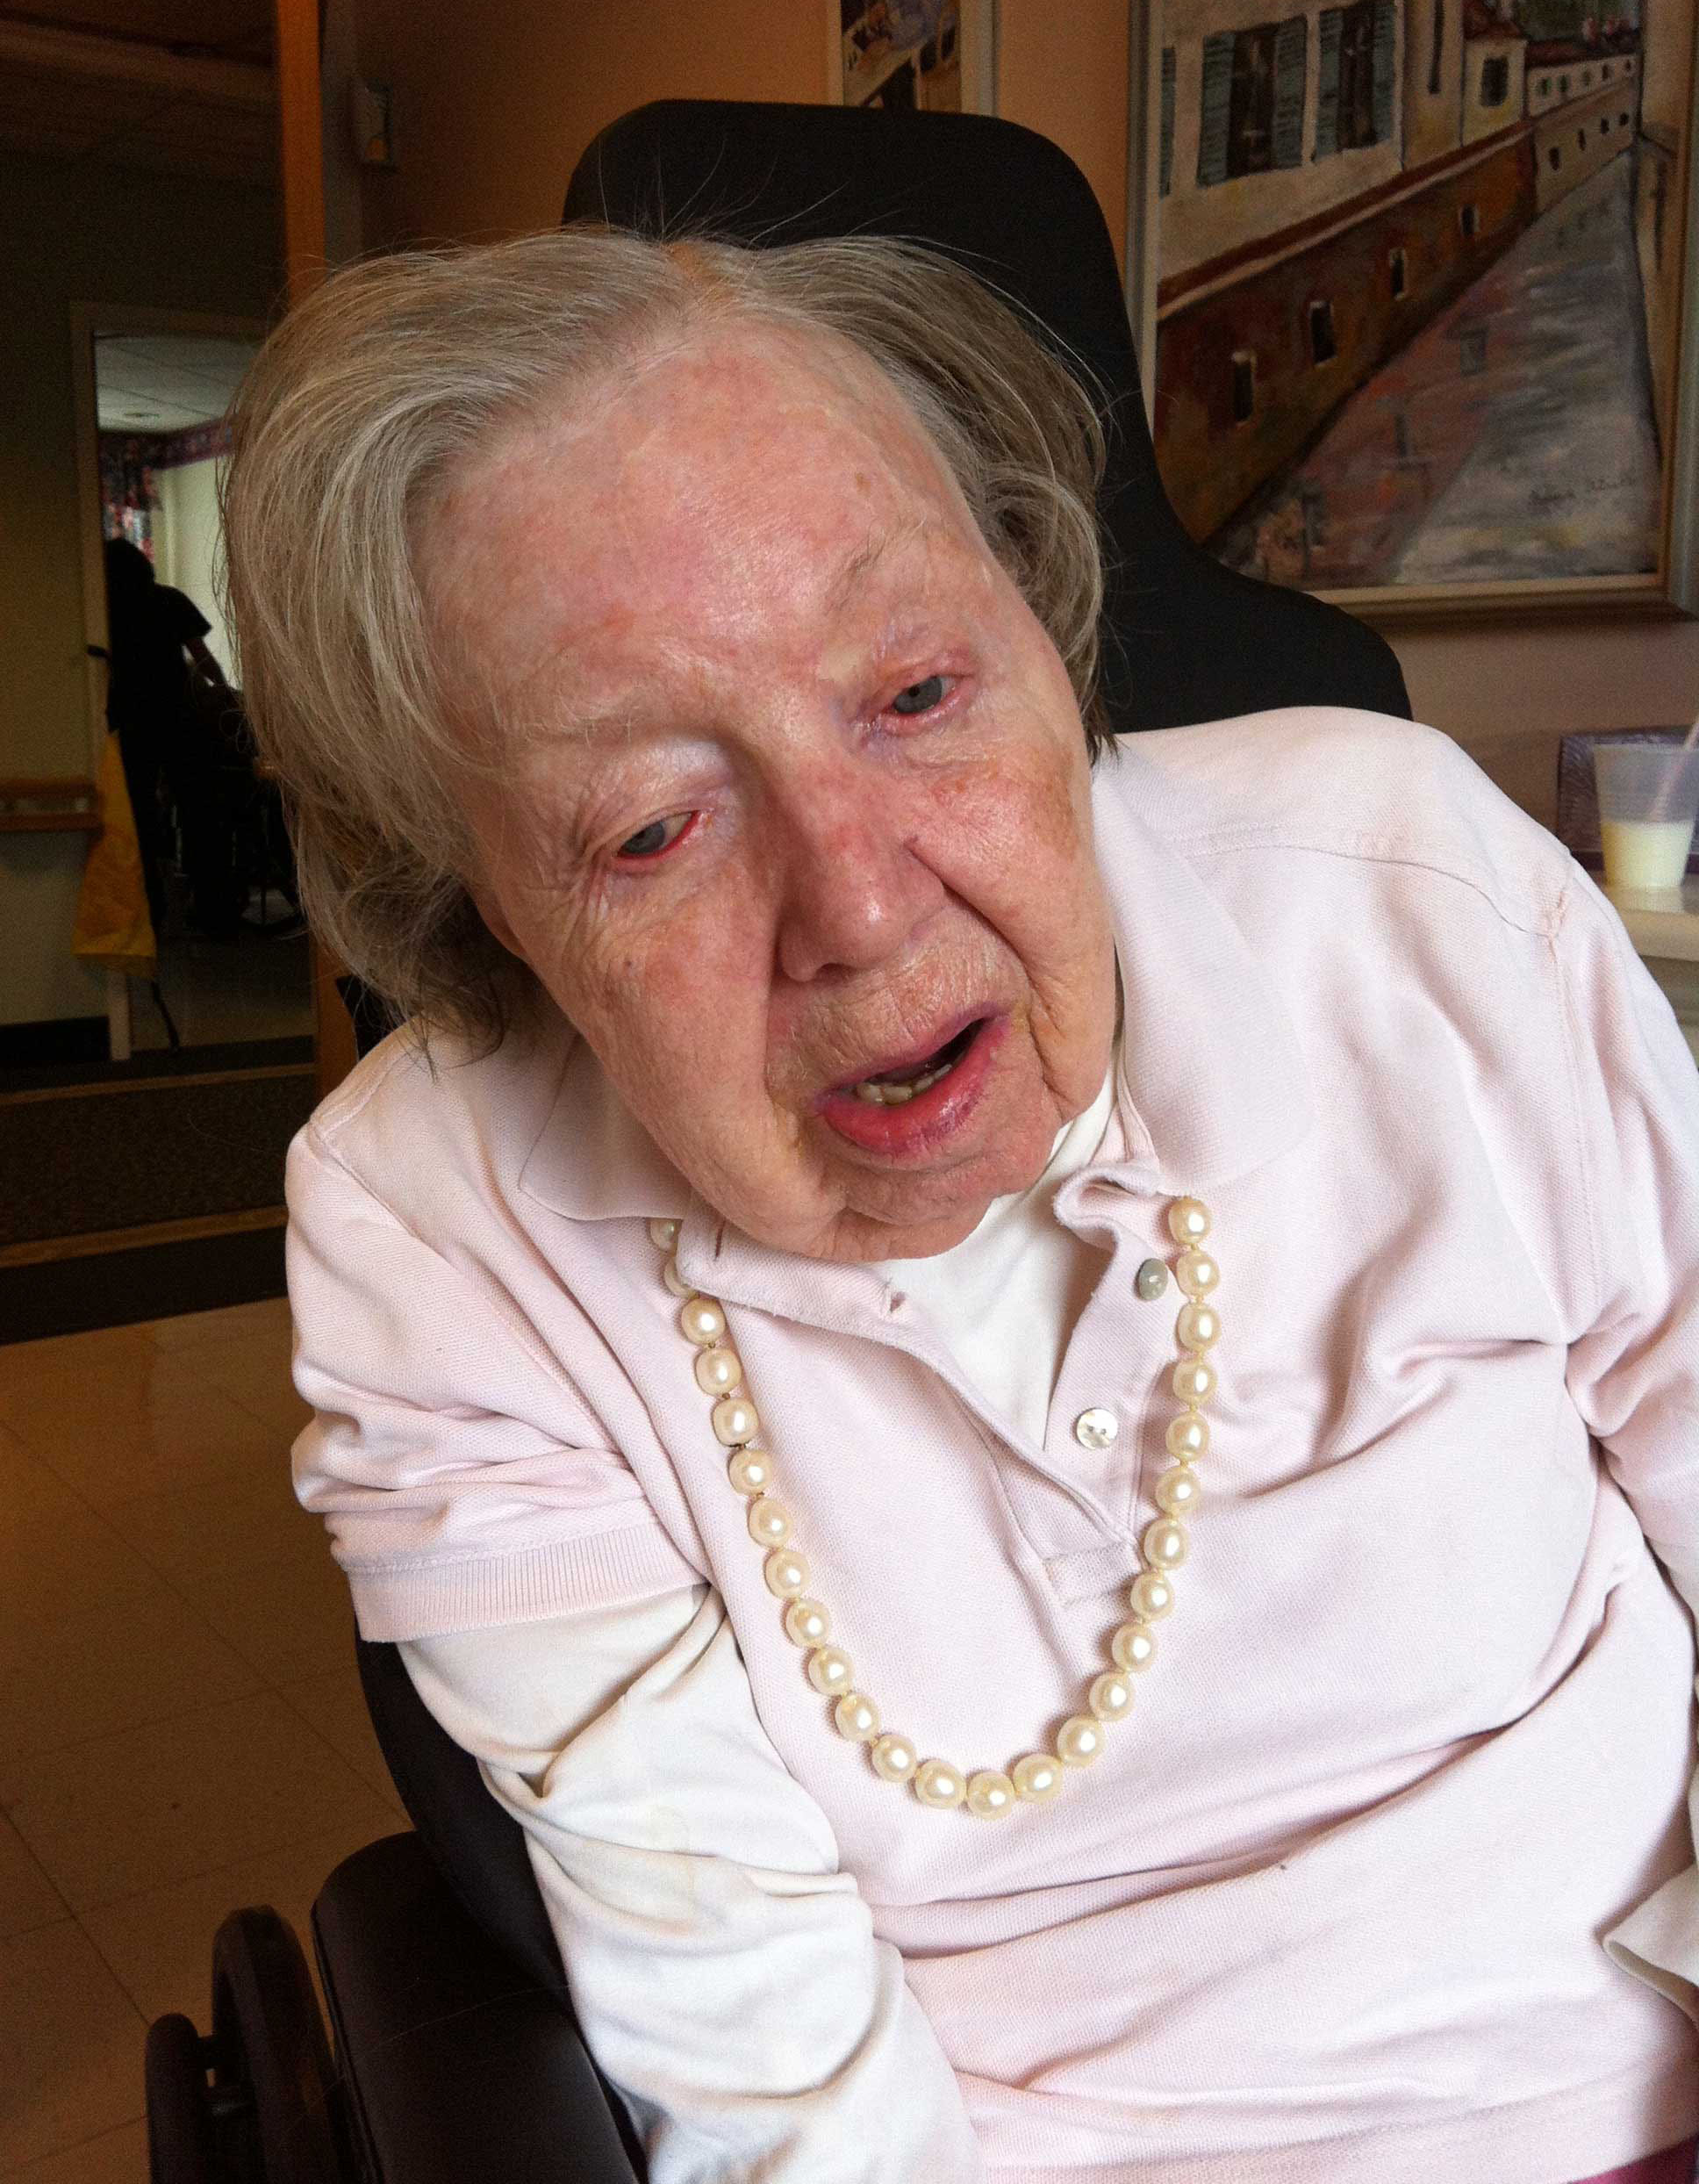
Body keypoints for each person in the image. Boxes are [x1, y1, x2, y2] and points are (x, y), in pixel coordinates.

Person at [223, 227, 1699, 2184]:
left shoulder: (1402, 885)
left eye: (918, 689)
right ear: (477, 900)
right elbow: (763, 2042)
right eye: (651, 827)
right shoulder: (431, 1227)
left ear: (1041, 623)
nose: (857, 902)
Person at [102, 536, 245, 938]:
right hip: (180, 716)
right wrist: (225, 692)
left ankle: (149, 908)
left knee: (139, 816)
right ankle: (214, 907)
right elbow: (201, 655)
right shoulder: (169, 600)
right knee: (200, 812)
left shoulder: (107, 609)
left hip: (130, 720)